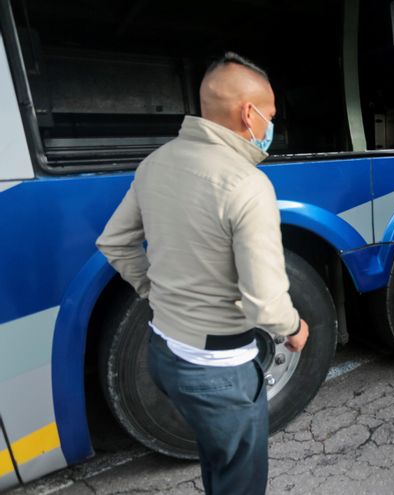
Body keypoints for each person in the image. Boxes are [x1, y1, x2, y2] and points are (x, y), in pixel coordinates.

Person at [96, 52, 308, 495]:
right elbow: (265, 303)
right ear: (248, 113)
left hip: (163, 353)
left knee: (218, 455)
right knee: (240, 478)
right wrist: (295, 328)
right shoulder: (247, 184)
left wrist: (155, 291)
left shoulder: (156, 162)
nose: (271, 126)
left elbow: (114, 242)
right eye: (270, 115)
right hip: (219, 370)